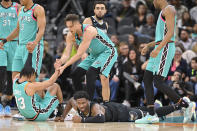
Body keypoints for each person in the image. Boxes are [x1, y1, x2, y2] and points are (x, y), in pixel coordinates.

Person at [136, 0, 195, 124]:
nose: (152, 3)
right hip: (160, 47)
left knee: (157, 82)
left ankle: (185, 104)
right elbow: (161, 37)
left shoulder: (169, 9)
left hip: (165, 49)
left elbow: (170, 33)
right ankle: (151, 114)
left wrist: (158, 49)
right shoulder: (162, 12)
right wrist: (149, 45)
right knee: (147, 79)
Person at [59, 14, 118, 102]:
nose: (70, 29)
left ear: (78, 24)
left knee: (93, 73)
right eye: (68, 27)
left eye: (71, 26)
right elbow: (66, 54)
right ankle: (80, 100)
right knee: (75, 75)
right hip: (94, 55)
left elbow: (79, 54)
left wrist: (64, 67)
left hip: (107, 52)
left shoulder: (89, 31)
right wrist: (60, 62)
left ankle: (92, 102)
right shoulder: (70, 35)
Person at [55, 91, 196, 123]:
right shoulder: (76, 103)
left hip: (121, 114)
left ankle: (179, 105)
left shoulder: (94, 107)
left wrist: (83, 120)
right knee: (145, 109)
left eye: (83, 103)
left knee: (152, 115)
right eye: (79, 104)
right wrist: (62, 116)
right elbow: (69, 102)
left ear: (88, 101)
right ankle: (154, 106)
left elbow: (101, 118)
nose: (81, 106)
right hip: (114, 107)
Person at [0, 0, 46, 80]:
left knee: (31, 79)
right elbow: (17, 30)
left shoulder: (38, 9)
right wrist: (4, 41)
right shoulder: (21, 10)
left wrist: (34, 43)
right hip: (19, 47)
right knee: (15, 79)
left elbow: (41, 30)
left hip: (32, 48)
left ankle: (43, 92)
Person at [71, 0, 108, 94]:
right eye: (98, 8)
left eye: (102, 8)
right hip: (91, 54)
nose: (100, 10)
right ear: (94, 10)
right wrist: (83, 52)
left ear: (105, 11)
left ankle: (89, 101)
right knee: (76, 75)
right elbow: (81, 38)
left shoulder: (106, 24)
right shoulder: (88, 20)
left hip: (102, 55)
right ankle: (80, 97)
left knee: (91, 75)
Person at [13, 52, 63, 121]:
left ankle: (50, 111)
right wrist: (57, 69)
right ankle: (60, 112)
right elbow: (50, 82)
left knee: (40, 89)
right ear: (30, 75)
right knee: (55, 86)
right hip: (38, 115)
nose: (35, 78)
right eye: (34, 76)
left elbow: (24, 69)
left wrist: (30, 53)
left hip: (27, 116)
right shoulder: (30, 86)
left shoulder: (15, 80)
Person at [0, 0, 21, 116]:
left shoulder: (17, 7)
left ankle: (7, 105)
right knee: (1, 72)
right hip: (0, 42)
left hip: (14, 42)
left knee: (11, 74)